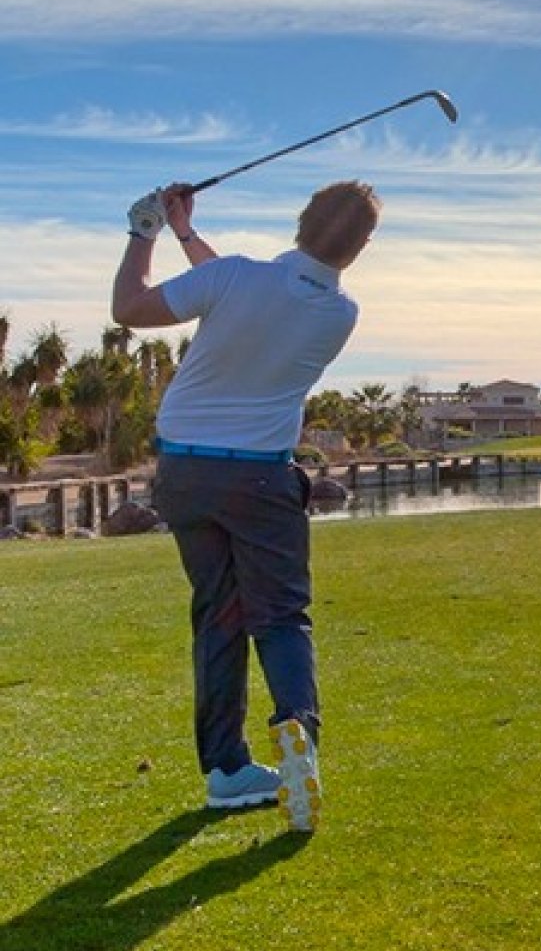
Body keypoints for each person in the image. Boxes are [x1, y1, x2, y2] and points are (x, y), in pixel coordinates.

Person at [113, 179, 382, 832]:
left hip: (186, 476)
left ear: (301, 220)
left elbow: (132, 307)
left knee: (218, 616)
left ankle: (228, 770)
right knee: (281, 618)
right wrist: (181, 232)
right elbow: (241, 293)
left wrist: (145, 229)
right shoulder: (339, 314)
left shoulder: (234, 279)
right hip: (261, 484)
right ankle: (299, 744)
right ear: (360, 248)